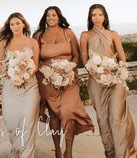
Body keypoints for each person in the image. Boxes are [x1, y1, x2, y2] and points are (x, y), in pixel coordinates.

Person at [33, 6, 94, 158]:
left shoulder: (68, 33)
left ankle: (69, 151)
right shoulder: (39, 35)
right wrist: (49, 73)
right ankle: (58, 151)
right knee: (54, 116)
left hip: (69, 79)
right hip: (48, 80)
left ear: (59, 17)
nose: (51, 18)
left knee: (68, 112)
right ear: (45, 18)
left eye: (54, 15)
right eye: (48, 15)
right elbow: (36, 59)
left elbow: (75, 55)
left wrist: (67, 69)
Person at [80, 4, 136, 158]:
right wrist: (95, 71)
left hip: (115, 80)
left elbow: (122, 57)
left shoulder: (113, 33)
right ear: (90, 18)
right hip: (96, 81)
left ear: (105, 16)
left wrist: (118, 70)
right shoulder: (85, 35)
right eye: (93, 15)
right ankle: (110, 154)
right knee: (103, 120)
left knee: (115, 118)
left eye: (100, 14)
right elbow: (84, 57)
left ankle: (123, 154)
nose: (97, 18)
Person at [0, 12, 40, 158]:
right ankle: (16, 150)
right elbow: (1, 65)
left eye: (17, 23)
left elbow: (36, 65)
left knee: (28, 121)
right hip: (10, 86)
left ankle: (27, 155)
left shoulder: (32, 42)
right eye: (12, 24)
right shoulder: (4, 43)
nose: (15, 26)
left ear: (23, 24)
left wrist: (25, 75)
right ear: (9, 27)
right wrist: (12, 75)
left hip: (30, 87)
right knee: (11, 122)